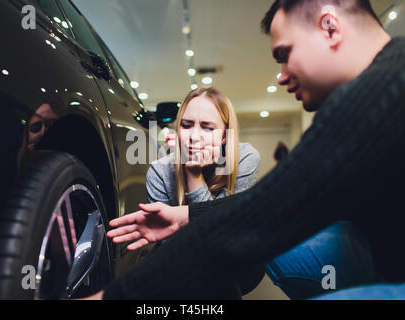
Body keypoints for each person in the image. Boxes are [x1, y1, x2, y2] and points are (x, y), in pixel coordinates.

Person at [100, 0, 405, 299]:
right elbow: (271, 207)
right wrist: (186, 215)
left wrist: (111, 297)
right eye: (188, 125)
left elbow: (260, 217)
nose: (282, 75)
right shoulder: (390, 74)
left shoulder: (376, 96)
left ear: (329, 27)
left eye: (285, 54)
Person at [146, 87, 264, 296]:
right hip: (184, 269)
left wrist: (194, 175)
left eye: (207, 127)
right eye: (187, 125)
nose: (194, 137)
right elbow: (177, 252)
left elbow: (226, 236)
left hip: (239, 264)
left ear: (225, 136)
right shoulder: (159, 172)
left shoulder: (245, 158)